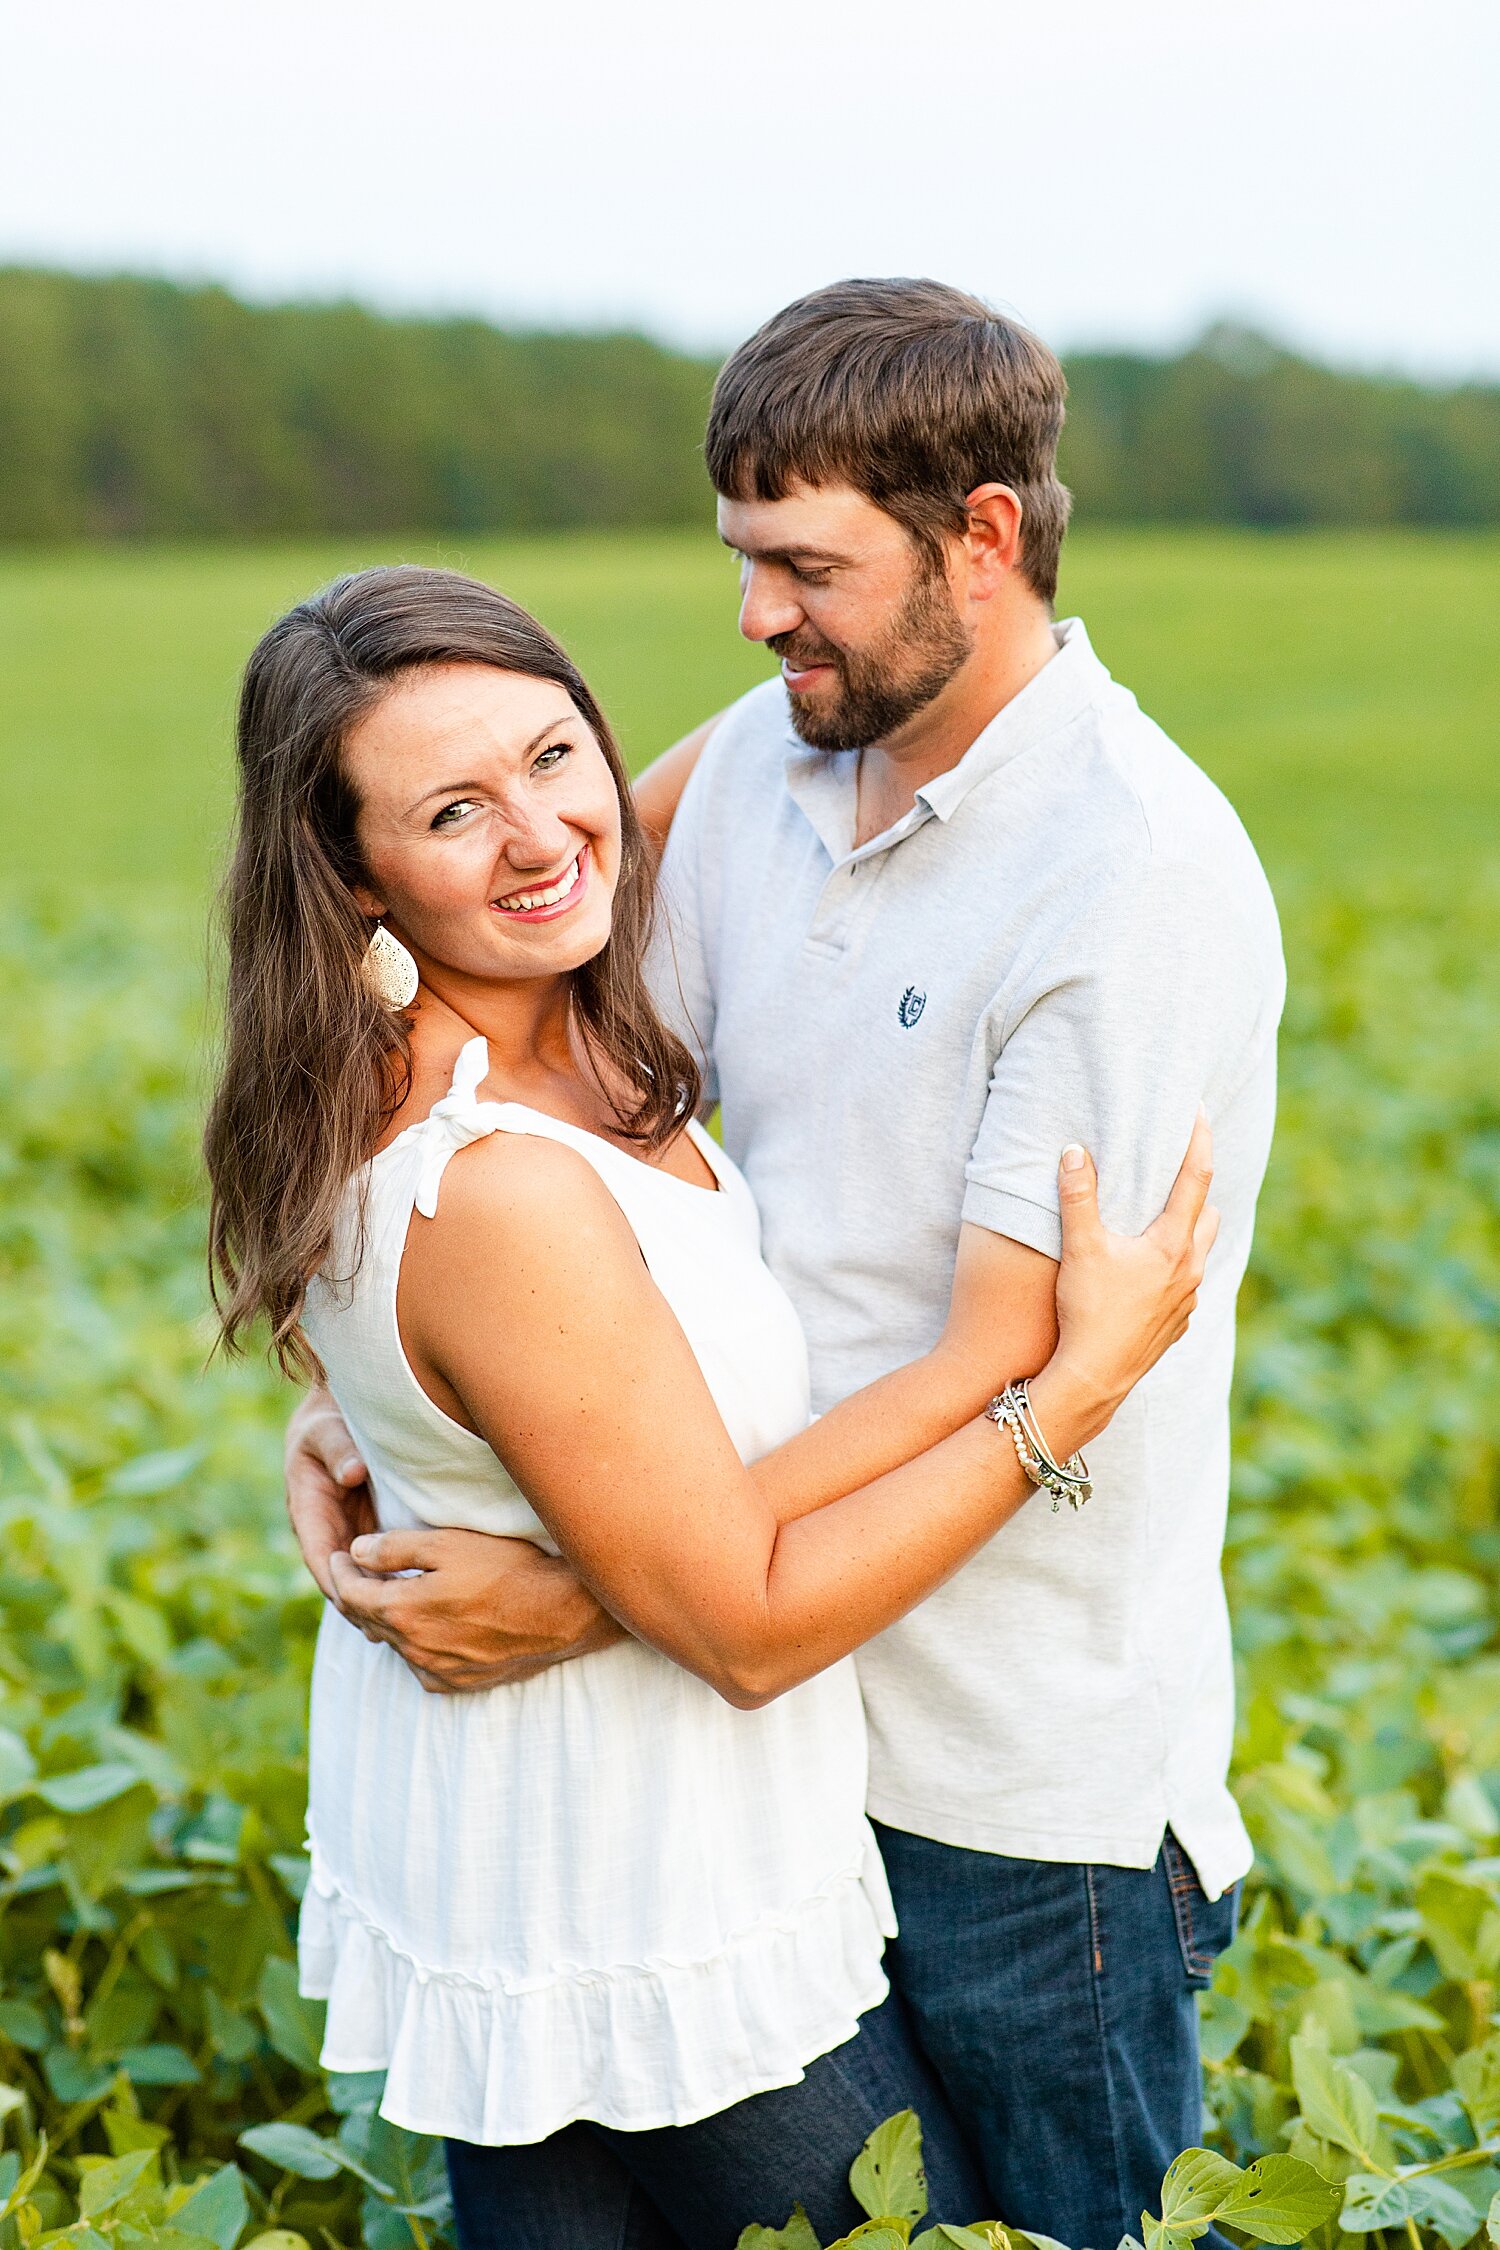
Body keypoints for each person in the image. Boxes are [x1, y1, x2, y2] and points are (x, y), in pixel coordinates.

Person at [286, 278, 1287, 2247]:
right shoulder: (760, 765)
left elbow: (1016, 1356)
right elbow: (482, 1057)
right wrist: (369, 1401)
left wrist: (595, 1591)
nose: (756, 616)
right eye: (741, 558)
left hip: (1010, 1789)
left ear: (982, 535)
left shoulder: (1131, 877)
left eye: (802, 565)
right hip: (754, 1735)